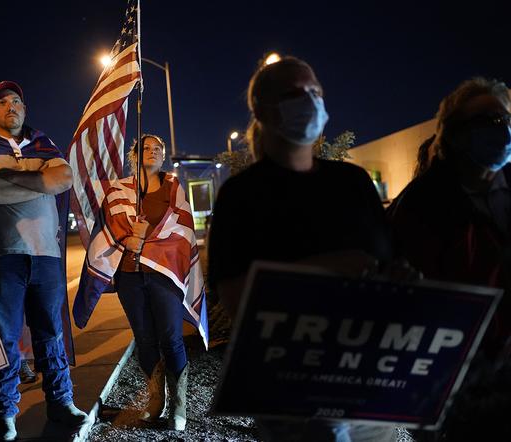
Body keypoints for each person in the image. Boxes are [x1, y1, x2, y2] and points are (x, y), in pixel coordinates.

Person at [207, 56, 396, 442]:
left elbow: (385, 267)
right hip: (290, 395)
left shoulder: (354, 183)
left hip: (364, 386)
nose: (310, 101)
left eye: (316, 92)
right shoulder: (241, 197)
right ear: (261, 109)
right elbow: (239, 300)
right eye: (296, 93)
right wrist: (334, 268)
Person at [387, 77, 511, 441]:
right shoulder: (418, 207)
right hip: (450, 384)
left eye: (502, 118)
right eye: (482, 121)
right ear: (452, 135)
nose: (498, 129)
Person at [0, 80, 88, 441]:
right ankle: (4, 415)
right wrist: (39, 180)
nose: (10, 107)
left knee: (51, 333)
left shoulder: (43, 142)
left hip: (46, 254)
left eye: (16, 100)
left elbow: (63, 179)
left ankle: (61, 402)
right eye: (2, 103)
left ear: (24, 107)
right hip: (4, 254)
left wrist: (13, 176)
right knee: (4, 339)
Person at [73, 134, 208, 431]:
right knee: (144, 338)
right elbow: (110, 226)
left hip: (165, 275)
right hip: (129, 276)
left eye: (157, 149)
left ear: (163, 157)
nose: (152, 152)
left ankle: (179, 405)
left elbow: (181, 231)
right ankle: (155, 399)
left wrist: (145, 237)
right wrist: (130, 236)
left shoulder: (174, 187)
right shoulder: (119, 190)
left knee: (171, 337)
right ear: (135, 156)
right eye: (145, 148)